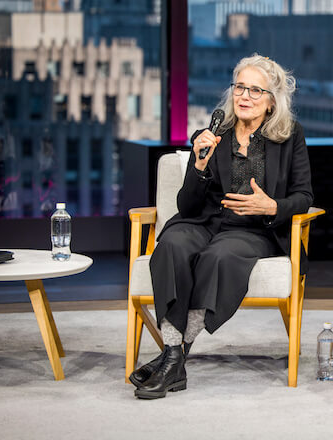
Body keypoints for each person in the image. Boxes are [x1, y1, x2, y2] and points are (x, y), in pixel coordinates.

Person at [130, 54, 313, 399]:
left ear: (272, 101)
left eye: (255, 90)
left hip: (254, 230)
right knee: (172, 244)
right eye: (239, 87)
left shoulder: (289, 136)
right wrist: (199, 166)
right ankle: (174, 357)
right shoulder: (214, 134)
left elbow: (304, 195)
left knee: (220, 257)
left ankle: (172, 358)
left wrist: (272, 205)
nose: (244, 96)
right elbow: (187, 206)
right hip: (205, 221)